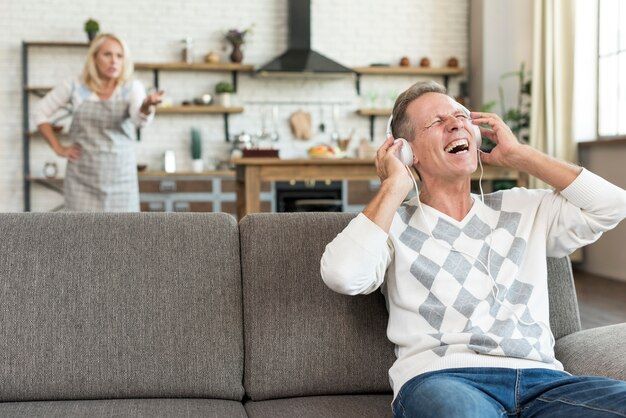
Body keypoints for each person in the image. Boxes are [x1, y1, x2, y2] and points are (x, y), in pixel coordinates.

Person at [320, 80, 626, 417]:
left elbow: (612, 205)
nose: (454, 123)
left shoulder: (525, 208)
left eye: (460, 115)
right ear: (408, 152)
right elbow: (342, 275)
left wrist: (520, 155)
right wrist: (394, 186)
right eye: (436, 122)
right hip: (445, 380)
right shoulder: (390, 224)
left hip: (544, 382)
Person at [33, 33, 163, 212]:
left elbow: (139, 120)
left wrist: (147, 106)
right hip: (82, 180)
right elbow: (40, 111)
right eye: (107, 54)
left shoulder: (132, 88)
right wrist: (59, 148)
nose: (114, 61)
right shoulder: (74, 85)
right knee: (82, 236)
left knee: (124, 237)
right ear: (94, 58)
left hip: (121, 180)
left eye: (119, 56)